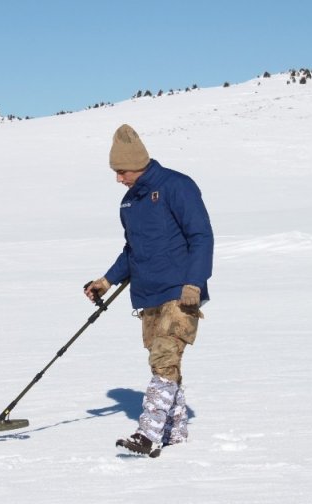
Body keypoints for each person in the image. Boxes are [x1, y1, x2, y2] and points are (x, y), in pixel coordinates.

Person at [84, 124, 214, 457]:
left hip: (180, 293)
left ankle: (149, 434)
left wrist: (194, 282)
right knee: (163, 364)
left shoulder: (177, 186)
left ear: (137, 164)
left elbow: (201, 236)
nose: (119, 179)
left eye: (122, 171)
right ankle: (175, 431)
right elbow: (132, 250)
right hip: (147, 295)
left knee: (164, 359)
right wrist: (106, 281)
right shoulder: (129, 203)